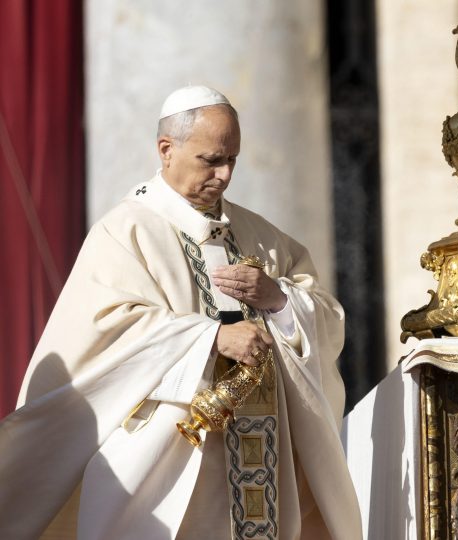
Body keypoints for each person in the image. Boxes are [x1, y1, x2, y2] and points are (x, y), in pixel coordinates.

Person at [0, 86, 363, 540]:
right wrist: (209, 338)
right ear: (167, 150)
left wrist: (279, 300)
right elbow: (105, 332)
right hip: (166, 465)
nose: (226, 174)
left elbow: (327, 316)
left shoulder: (259, 234)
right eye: (211, 160)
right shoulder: (126, 230)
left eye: (232, 159)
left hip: (260, 461)